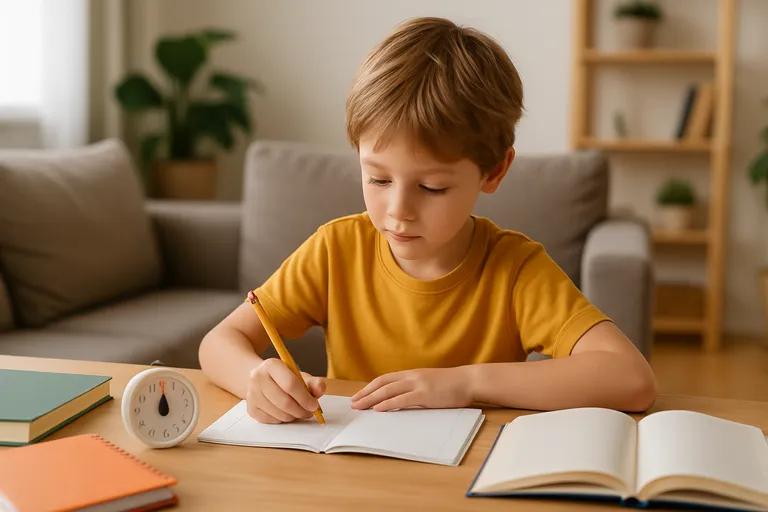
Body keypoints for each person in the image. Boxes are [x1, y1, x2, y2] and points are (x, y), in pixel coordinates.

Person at [199, 16, 657, 424]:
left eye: (432, 188)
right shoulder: (335, 250)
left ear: (494, 171)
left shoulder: (515, 268)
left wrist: (465, 383)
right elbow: (220, 342)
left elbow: (630, 378)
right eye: (377, 178)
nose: (398, 210)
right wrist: (254, 379)